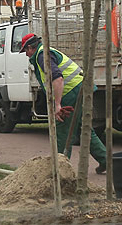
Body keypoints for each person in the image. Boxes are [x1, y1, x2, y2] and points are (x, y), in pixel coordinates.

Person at [19, 33, 107, 174]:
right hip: (82, 87)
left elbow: (58, 79)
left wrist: (58, 105)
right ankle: (105, 160)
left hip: (71, 92)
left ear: (30, 47)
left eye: (25, 51)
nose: (26, 55)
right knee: (83, 128)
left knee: (62, 131)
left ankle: (60, 170)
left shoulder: (42, 56)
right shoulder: (45, 52)